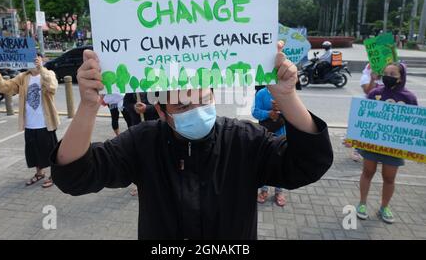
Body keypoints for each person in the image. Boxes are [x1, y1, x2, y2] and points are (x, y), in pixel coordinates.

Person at [50, 42, 334, 239]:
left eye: (203, 100)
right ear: (160, 110)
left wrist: (287, 97)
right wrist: (87, 106)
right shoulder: (142, 143)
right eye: (183, 107)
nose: (197, 111)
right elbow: (75, 176)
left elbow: (308, 165)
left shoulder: (245, 140)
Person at [356, 62, 418, 224]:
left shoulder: (409, 98)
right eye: (386, 73)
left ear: (401, 78)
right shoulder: (374, 93)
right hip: (371, 143)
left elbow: (414, 125)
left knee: (389, 178)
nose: (388, 77)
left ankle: (385, 206)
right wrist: (356, 140)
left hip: (394, 146)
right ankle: (362, 203)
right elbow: (363, 119)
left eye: (393, 74)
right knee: (367, 172)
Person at [0, 54, 60, 188]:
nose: (33, 61)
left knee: (50, 151)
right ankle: (39, 173)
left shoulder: (48, 73)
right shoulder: (23, 77)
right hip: (29, 123)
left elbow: (52, 87)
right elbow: (5, 88)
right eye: (31, 58)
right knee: (33, 151)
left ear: (41, 60)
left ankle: (54, 175)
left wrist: (42, 69)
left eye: (36, 58)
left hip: (46, 122)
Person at [252, 87, 287, 206]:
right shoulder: (261, 93)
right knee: (264, 161)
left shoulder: (285, 91)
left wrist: (280, 110)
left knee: (281, 162)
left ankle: (279, 191)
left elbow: (293, 112)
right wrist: (269, 113)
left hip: (282, 133)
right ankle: (263, 190)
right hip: (265, 133)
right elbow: (255, 112)